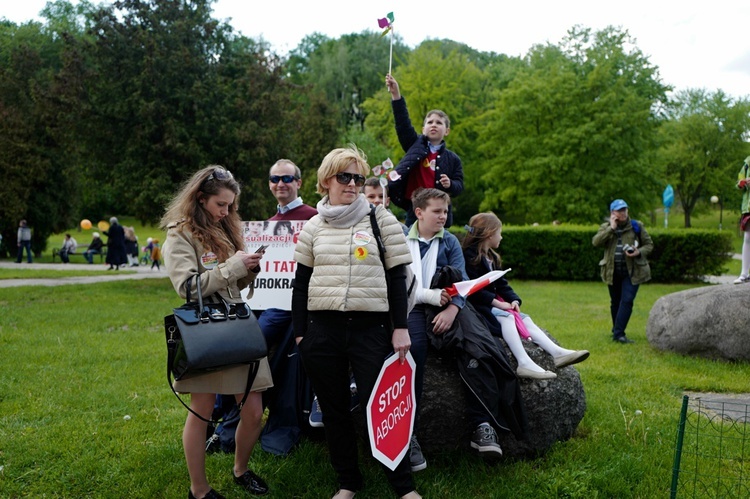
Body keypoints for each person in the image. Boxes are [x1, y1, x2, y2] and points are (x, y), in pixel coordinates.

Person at [292, 146, 420, 499]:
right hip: (323, 331)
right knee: (333, 411)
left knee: (382, 409)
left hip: (370, 329)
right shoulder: (313, 226)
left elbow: (398, 278)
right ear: (325, 181)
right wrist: (302, 334)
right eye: (344, 176)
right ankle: (348, 482)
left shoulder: (382, 220)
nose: (352, 184)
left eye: (358, 178)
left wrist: (400, 327)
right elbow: (301, 282)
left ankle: (403, 486)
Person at [161, 165, 273, 499]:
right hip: (206, 332)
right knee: (203, 410)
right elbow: (188, 288)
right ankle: (199, 490)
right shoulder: (178, 233)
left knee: (254, 410)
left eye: (230, 206)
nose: (226, 212)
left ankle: (241, 468)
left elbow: (230, 281)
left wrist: (248, 269)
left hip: (237, 326)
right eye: (220, 205)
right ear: (200, 198)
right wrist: (235, 266)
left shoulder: (225, 228)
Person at [462, 212, 589, 379]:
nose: (501, 237)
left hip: (492, 305)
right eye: (500, 233)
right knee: (507, 318)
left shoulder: (492, 257)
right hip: (478, 307)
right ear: (489, 234)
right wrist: (498, 304)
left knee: (524, 319)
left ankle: (557, 353)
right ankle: (523, 362)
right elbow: (472, 289)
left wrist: (513, 300)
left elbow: (502, 284)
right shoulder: (469, 257)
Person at [257, 159, 318, 455]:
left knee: (256, 338)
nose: (280, 183)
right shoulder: (266, 225)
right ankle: (229, 416)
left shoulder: (314, 217)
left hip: (297, 304)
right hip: (269, 299)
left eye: (287, 178)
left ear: (299, 182)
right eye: (274, 178)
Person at [385, 74, 464, 227]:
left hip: (439, 211)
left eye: (439, 123)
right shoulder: (414, 145)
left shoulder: (453, 159)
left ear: (446, 131)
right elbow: (403, 124)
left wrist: (450, 185)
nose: (434, 125)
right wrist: (396, 95)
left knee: (439, 247)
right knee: (411, 245)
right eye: (430, 122)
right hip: (414, 208)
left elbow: (459, 186)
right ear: (423, 129)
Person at [592, 199, 653, 344]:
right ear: (613, 213)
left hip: (633, 272)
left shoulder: (636, 226)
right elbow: (596, 242)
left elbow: (649, 245)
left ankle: (619, 334)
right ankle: (616, 329)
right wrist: (611, 228)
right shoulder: (606, 227)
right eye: (619, 210)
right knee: (615, 302)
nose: (623, 213)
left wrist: (638, 252)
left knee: (627, 300)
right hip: (612, 271)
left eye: (624, 210)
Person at [733, 156, 750, 284]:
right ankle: (744, 274)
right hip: (748, 206)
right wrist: (741, 183)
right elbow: (739, 181)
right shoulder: (747, 163)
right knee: (747, 238)